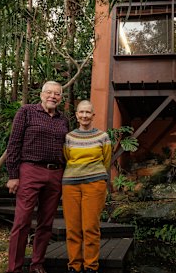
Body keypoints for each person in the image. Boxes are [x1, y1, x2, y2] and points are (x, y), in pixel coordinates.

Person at [6, 81, 69, 273]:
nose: (53, 96)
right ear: (41, 94)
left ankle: (37, 263)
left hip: (56, 172)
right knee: (22, 220)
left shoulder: (63, 120)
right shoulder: (26, 111)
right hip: (30, 170)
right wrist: (13, 175)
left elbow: (67, 150)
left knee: (46, 222)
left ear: (60, 98)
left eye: (57, 94)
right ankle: (14, 268)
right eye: (49, 92)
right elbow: (14, 143)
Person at [62, 100, 112, 273]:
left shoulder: (102, 137)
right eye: (81, 112)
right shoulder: (69, 137)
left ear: (93, 115)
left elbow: (106, 160)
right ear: (76, 115)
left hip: (95, 183)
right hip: (71, 185)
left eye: (87, 112)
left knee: (90, 227)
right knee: (72, 228)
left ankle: (91, 266)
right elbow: (67, 157)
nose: (84, 115)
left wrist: (95, 174)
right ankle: (74, 266)